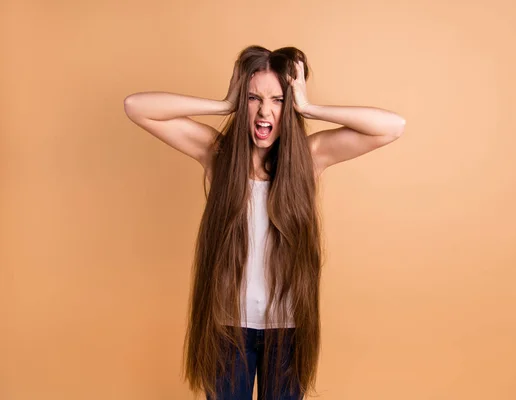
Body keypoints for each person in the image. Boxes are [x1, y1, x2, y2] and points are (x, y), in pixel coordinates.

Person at [123, 45, 406, 400]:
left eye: (277, 99)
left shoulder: (309, 157)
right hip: (227, 327)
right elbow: (135, 107)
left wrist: (309, 107)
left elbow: (392, 127)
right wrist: (224, 104)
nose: (264, 111)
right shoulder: (218, 153)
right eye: (254, 98)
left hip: (287, 328)